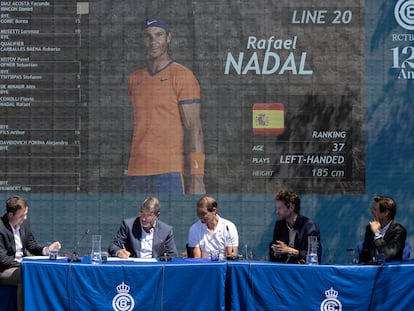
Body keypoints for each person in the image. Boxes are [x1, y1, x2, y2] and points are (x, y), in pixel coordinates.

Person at [124, 18, 205, 194]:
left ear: (168, 37)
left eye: (159, 35)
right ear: (142, 40)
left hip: (168, 172)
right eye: (148, 36)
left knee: (169, 221)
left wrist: (197, 178)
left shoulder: (182, 75)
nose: (154, 42)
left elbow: (195, 129)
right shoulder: (134, 79)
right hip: (135, 172)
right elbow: (137, 126)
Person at [0, 196, 61, 311]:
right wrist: (24, 265)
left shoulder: (24, 224)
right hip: (4, 269)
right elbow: (2, 259)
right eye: (22, 215)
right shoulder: (1, 227)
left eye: (26, 214)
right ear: (10, 215)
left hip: (20, 265)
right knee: (26, 275)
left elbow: (31, 245)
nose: (25, 218)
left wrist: (47, 250)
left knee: (39, 272)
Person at [108, 197, 177, 259]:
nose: (143, 219)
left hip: (155, 269)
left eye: (148, 216)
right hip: (133, 267)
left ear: (157, 215)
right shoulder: (128, 225)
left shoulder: (166, 230)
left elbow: (172, 254)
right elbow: (114, 245)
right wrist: (119, 252)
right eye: (142, 214)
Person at [269, 190, 321, 264]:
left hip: (302, 271)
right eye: (277, 208)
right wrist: (276, 252)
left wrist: (289, 250)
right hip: (283, 270)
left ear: (291, 207)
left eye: (280, 208)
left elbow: (315, 256)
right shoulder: (279, 226)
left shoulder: (309, 227)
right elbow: (273, 253)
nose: (277, 212)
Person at [359, 195, 407, 263]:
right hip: (372, 271)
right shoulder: (370, 228)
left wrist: (377, 234)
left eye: (375, 209)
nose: (371, 211)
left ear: (385, 213)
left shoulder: (399, 231)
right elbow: (365, 255)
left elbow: (388, 255)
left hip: (390, 271)